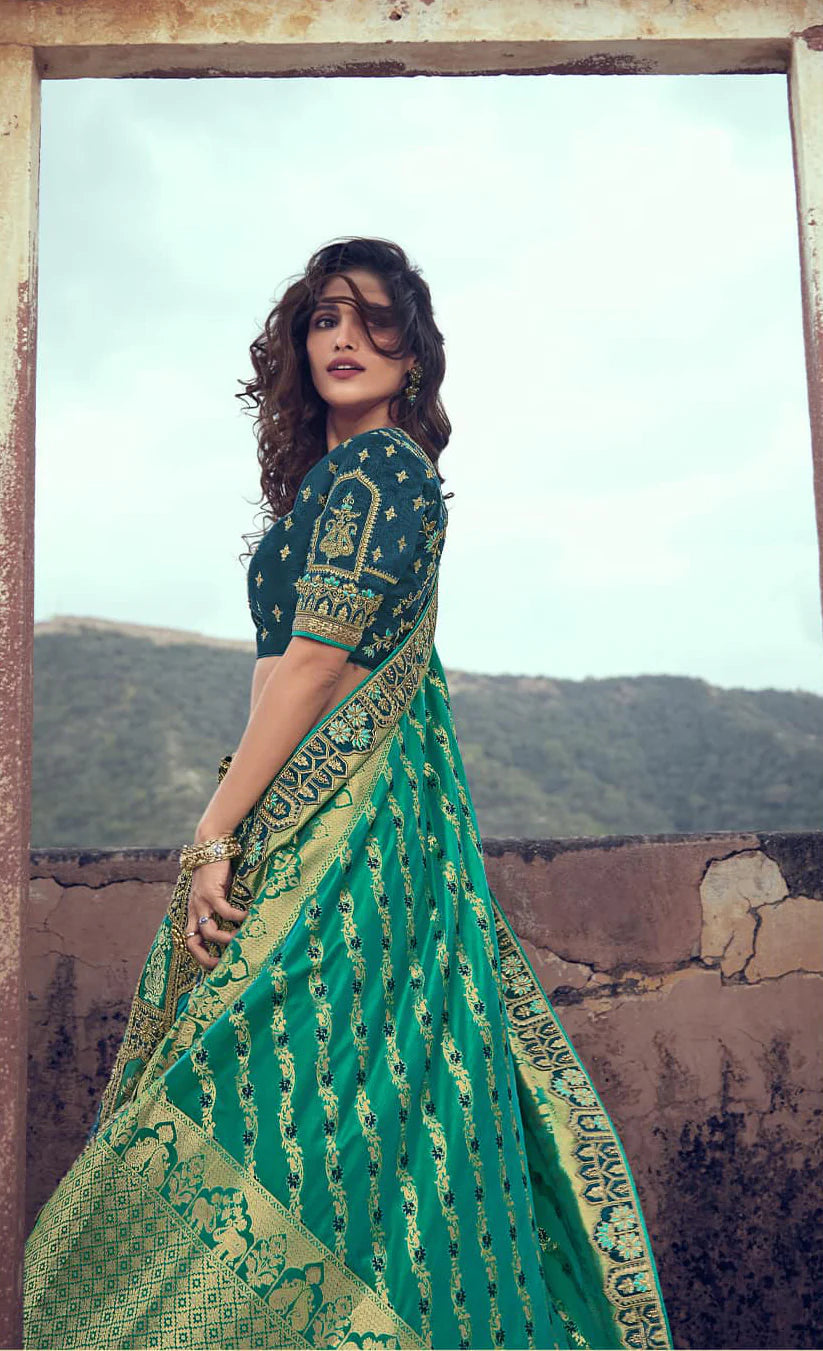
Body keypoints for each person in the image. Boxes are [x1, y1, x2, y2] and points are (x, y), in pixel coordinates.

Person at [23, 236, 673, 1351]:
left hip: (364, 835)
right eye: (324, 318)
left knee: (305, 1084)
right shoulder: (318, 495)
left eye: (372, 320)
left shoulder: (386, 473)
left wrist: (210, 833)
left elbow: (321, 666)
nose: (344, 338)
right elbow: (272, 676)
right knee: (323, 1097)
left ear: (412, 356)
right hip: (301, 819)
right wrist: (239, 825)